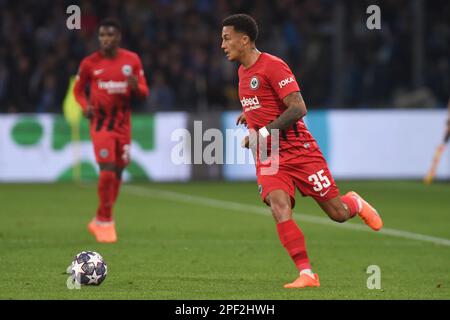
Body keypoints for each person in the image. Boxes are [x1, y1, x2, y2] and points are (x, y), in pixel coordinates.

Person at [221, 14, 383, 288]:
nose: (222, 44)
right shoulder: (242, 72)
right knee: (279, 206)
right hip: (270, 155)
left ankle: (354, 202)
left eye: (226, 38)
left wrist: (261, 132)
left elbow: (298, 108)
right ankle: (307, 273)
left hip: (300, 151)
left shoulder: (273, 66)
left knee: (338, 213)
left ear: (244, 39)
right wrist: (250, 114)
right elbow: (265, 102)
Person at [74, 18, 149, 243]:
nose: (105, 39)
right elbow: (78, 91)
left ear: (118, 37)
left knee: (117, 173)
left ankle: (100, 218)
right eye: (102, 36)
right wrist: (85, 106)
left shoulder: (132, 60)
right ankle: (106, 221)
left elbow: (144, 93)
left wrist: (136, 87)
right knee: (106, 170)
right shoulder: (89, 63)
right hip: (100, 124)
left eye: (110, 35)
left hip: (123, 126)